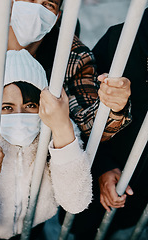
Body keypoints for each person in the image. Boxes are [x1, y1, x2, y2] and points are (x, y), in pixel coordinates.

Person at [0, 49, 92, 240]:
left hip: (35, 228)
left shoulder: (58, 130)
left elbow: (76, 202)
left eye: (30, 105)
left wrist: (62, 129)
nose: (19, 117)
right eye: (7, 107)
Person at [0, 0, 131, 141]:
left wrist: (113, 105)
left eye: (47, 4)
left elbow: (86, 124)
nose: (36, 9)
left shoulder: (74, 57)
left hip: (39, 158)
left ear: (56, 17)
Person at [68, 8, 148, 239]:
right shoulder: (121, 40)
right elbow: (81, 110)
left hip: (141, 195)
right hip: (96, 173)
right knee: (82, 227)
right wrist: (101, 166)